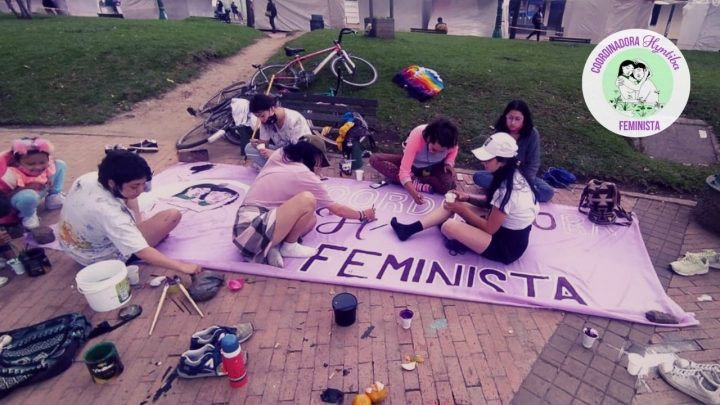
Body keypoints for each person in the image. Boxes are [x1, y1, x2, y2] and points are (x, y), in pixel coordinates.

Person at [391, 132, 539, 265]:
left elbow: (490, 228)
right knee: (452, 202)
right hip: (504, 230)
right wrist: (467, 198)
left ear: (503, 161)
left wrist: (461, 210)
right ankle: (410, 229)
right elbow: (491, 206)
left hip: (505, 246)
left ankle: (453, 234)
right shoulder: (513, 174)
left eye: (487, 159)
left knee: (448, 227)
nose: (483, 163)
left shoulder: (507, 190)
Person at [233, 135, 376, 268]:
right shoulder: (304, 174)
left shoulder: (279, 155)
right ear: (314, 157)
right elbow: (337, 210)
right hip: (251, 234)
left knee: (311, 219)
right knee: (308, 199)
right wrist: (363, 214)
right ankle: (289, 246)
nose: (319, 167)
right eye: (320, 161)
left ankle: (274, 246)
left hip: (242, 227)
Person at [58, 151, 202, 275]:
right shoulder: (110, 214)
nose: (141, 190)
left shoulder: (87, 178)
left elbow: (137, 187)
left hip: (70, 245)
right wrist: (183, 267)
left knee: (130, 197)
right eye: (135, 186)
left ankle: (137, 226)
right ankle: (136, 231)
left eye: (142, 184)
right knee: (172, 216)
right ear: (112, 183)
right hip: (99, 259)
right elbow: (142, 251)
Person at [472, 100, 555, 202]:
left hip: (521, 177)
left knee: (547, 192)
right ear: (505, 116)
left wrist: (524, 182)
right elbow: (491, 159)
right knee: (478, 176)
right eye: (510, 117)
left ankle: (506, 191)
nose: (513, 123)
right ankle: (512, 192)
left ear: (524, 119)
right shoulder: (498, 132)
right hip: (500, 175)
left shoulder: (532, 134)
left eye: (518, 119)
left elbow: (533, 164)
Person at [369, 117, 459, 204]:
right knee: (375, 159)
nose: (436, 153)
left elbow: (454, 149)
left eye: (441, 152)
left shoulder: (450, 141)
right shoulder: (417, 136)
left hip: (433, 167)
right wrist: (413, 193)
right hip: (413, 164)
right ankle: (414, 182)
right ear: (429, 138)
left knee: (448, 185)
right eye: (434, 149)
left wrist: (448, 163)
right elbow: (404, 170)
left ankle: (417, 181)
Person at [0, 138, 67, 229]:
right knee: (29, 196)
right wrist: (25, 188)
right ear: (17, 162)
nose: (38, 167)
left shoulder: (45, 162)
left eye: (42, 162)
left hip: (38, 192)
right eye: (31, 164)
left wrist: (47, 180)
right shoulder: (7, 175)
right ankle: (28, 216)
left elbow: (49, 165)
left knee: (60, 164)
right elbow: (3, 201)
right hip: (18, 202)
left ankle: (53, 198)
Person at [244, 94, 311, 168]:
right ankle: (278, 169)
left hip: (299, 156)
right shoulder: (266, 122)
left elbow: (299, 151)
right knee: (249, 148)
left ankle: (278, 169)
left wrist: (275, 154)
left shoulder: (294, 120)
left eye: (262, 115)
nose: (261, 119)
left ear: (272, 109)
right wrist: (258, 145)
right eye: (258, 117)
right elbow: (264, 145)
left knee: (298, 160)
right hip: (282, 154)